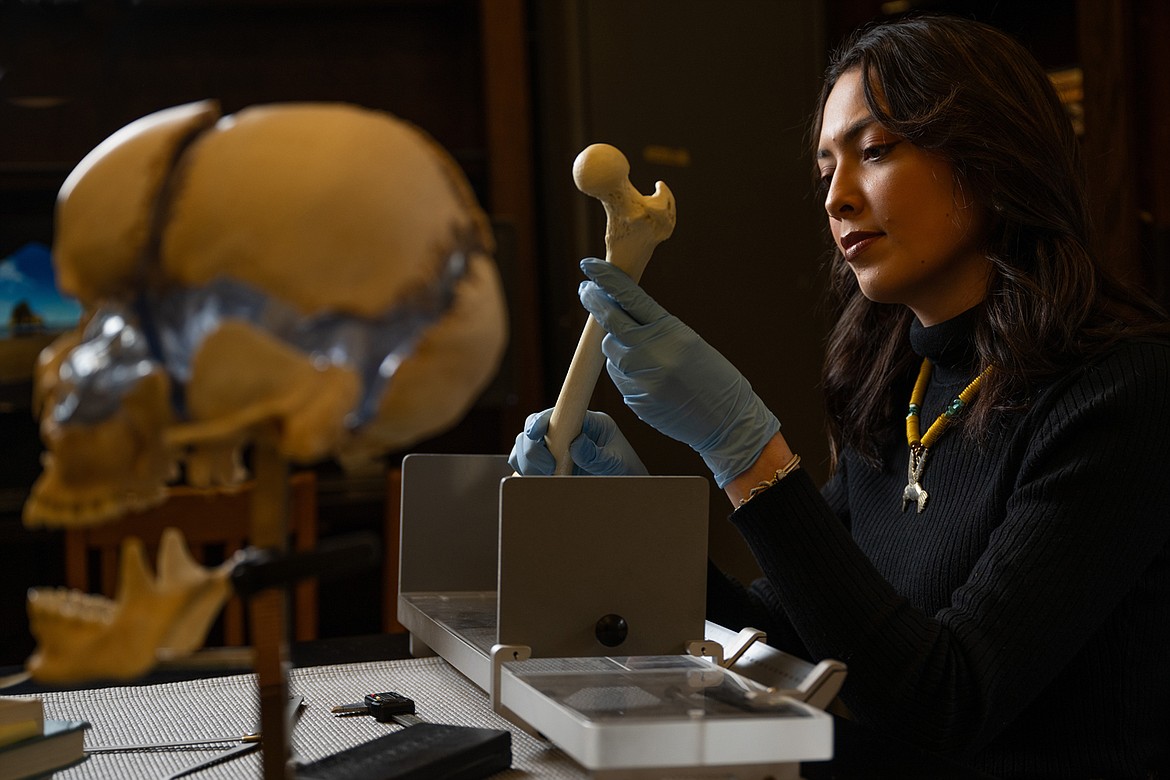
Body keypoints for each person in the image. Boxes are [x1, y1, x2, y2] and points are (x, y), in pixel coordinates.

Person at [509, 14, 1170, 779]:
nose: (837, 198)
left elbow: (946, 704)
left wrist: (747, 450)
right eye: (826, 170)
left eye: (876, 151)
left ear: (993, 156)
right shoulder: (898, 387)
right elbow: (795, 633)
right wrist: (635, 522)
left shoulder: (1126, 395)